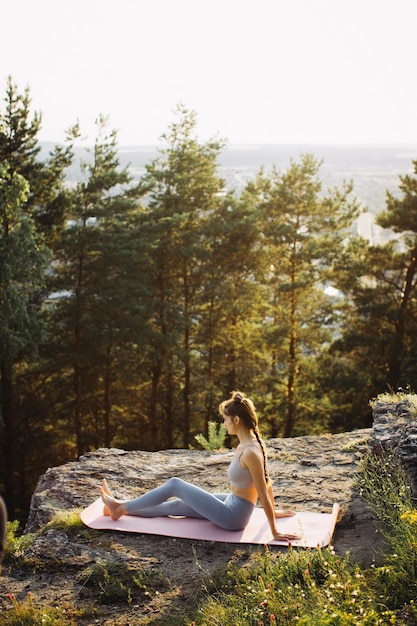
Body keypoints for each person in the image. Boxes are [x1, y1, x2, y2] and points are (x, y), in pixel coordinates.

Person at [99, 391, 300, 542]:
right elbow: (266, 482)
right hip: (232, 502)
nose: (224, 424)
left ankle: (121, 507)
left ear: (236, 420)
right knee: (176, 506)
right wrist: (276, 511)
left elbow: (263, 490)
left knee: (175, 484)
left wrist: (274, 530)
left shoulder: (251, 452)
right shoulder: (248, 444)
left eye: (225, 420)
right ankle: (118, 508)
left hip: (234, 517)